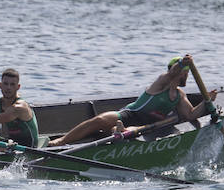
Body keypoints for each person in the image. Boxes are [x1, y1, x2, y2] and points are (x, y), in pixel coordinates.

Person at [48, 56, 206, 147]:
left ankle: (119, 131)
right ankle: (61, 141)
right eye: (186, 72)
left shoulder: (180, 95)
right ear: (179, 72)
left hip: (147, 125)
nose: (188, 76)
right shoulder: (161, 82)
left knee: (128, 131)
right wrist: (182, 63)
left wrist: (207, 101)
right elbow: (173, 72)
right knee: (99, 119)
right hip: (131, 113)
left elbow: (191, 115)